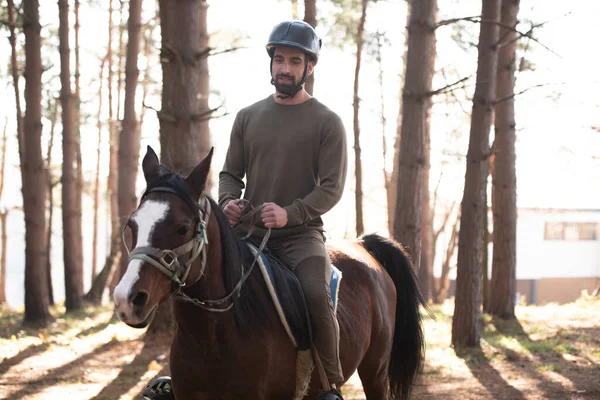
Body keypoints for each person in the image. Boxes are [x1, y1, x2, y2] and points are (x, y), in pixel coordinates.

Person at [218, 20, 348, 399]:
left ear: (309, 67)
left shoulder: (327, 122)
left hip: (299, 237)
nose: (285, 68)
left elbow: (331, 188)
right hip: (247, 233)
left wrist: (291, 213)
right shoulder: (247, 117)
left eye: (294, 60)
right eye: (279, 59)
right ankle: (188, 374)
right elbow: (230, 174)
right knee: (201, 279)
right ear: (271, 63)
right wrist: (228, 202)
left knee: (313, 294)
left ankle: (330, 385)